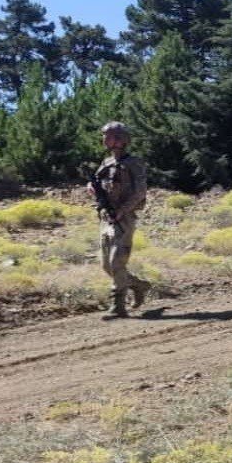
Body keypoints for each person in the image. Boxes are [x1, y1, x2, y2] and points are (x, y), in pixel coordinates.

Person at [87, 122, 151, 319]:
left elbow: (140, 192)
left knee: (117, 262)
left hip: (124, 218)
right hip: (106, 217)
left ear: (121, 139)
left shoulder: (134, 163)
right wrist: (90, 187)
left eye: (110, 136)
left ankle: (118, 306)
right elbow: (96, 182)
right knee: (107, 266)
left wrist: (123, 210)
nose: (105, 140)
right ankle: (139, 285)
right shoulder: (106, 163)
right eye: (105, 136)